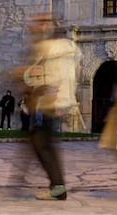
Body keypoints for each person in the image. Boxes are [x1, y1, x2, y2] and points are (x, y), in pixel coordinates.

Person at [23, 13, 81, 201]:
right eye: (38, 23)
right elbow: (33, 76)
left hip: (49, 103)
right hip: (40, 102)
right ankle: (57, 186)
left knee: (43, 144)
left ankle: (58, 187)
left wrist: (62, 101)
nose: (39, 27)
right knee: (40, 144)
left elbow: (67, 76)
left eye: (44, 23)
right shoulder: (42, 48)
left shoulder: (59, 48)